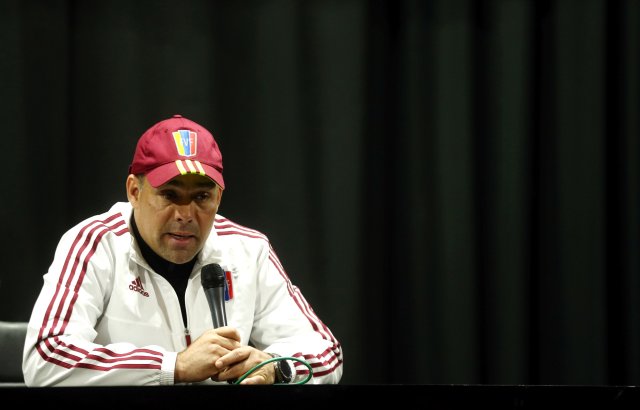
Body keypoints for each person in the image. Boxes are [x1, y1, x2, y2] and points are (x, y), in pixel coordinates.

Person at [22, 114, 343, 386]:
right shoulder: (96, 243)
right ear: (135, 191)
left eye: (201, 197)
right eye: (170, 195)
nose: (185, 214)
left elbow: (327, 354)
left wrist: (275, 367)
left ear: (218, 196)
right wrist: (172, 366)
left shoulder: (248, 250)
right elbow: (45, 355)